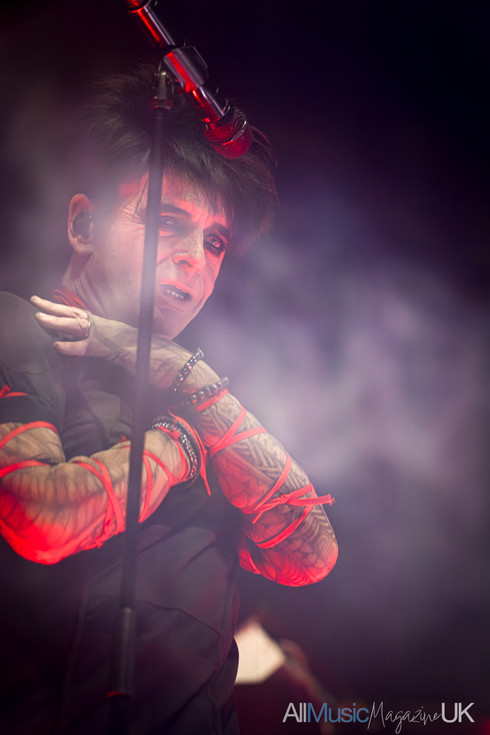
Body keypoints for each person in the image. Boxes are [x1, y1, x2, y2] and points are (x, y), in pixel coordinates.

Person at [0, 64, 338, 734]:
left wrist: (180, 369)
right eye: (166, 220)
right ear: (84, 224)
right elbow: (39, 518)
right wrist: (176, 447)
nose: (193, 259)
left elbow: (311, 554)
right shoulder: (19, 326)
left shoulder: (193, 387)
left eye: (214, 242)